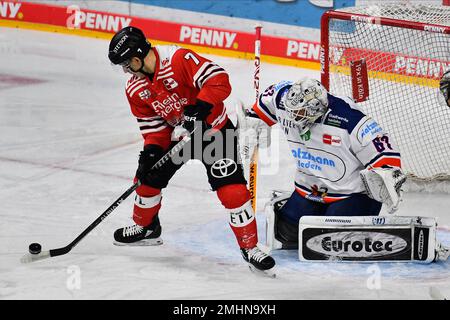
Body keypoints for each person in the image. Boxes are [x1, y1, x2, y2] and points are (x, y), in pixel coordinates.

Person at [107, 26, 275, 274]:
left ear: (136, 59)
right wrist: (152, 153)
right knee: (147, 178)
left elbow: (219, 80)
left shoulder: (178, 59)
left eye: (126, 64)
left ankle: (250, 248)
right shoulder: (135, 89)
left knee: (232, 192)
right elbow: (154, 129)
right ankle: (147, 227)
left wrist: (201, 106)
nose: (125, 70)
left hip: (214, 132)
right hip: (179, 136)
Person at [238, 78, 406, 249]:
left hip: (350, 193)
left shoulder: (348, 117)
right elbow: (269, 99)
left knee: (330, 240)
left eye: (300, 113)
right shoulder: (284, 100)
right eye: (292, 111)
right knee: (287, 234)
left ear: (316, 109)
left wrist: (387, 176)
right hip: (309, 188)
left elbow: (384, 149)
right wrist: (254, 119)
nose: (292, 118)